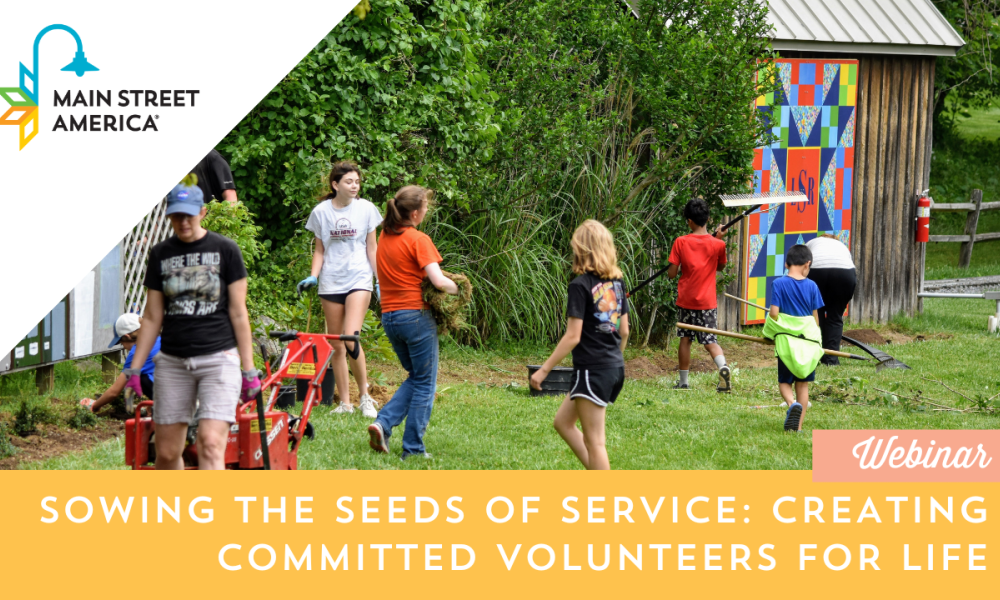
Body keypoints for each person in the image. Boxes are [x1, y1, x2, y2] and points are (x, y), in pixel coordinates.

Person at [125, 182, 259, 470]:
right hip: (173, 362)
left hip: (218, 359)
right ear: (169, 216)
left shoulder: (226, 249)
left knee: (210, 444)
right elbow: (152, 316)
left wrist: (248, 369)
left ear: (203, 212)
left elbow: (238, 313)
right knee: (168, 452)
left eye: (189, 215)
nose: (183, 222)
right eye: (176, 216)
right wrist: (134, 367)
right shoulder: (161, 254)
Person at [367, 185, 457, 460]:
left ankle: (382, 424)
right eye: (426, 208)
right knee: (426, 383)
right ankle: (414, 449)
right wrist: (460, 288)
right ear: (415, 213)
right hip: (416, 317)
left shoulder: (385, 237)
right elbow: (438, 281)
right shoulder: (418, 239)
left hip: (390, 318)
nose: (427, 212)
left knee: (417, 377)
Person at [530, 220, 629, 471]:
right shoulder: (617, 284)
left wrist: (543, 370)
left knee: (595, 442)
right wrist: (612, 360)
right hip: (612, 368)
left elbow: (572, 336)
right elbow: (624, 331)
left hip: (592, 370)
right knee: (563, 422)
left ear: (582, 250)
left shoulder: (580, 286)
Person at [296, 161, 382, 418]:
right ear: (335, 185)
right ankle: (345, 403)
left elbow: (372, 248)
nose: (355, 186)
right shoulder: (321, 212)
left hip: (359, 278)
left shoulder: (366, 209)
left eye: (357, 181)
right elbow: (320, 250)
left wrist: (379, 280)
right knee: (337, 345)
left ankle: (365, 397)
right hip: (331, 281)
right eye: (349, 182)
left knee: (350, 337)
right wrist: (313, 276)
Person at [666, 198, 730, 392]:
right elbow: (720, 266)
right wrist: (717, 240)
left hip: (686, 300)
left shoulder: (681, 242)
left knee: (685, 339)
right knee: (710, 340)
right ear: (708, 219)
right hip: (707, 302)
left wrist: (673, 263)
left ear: (689, 221)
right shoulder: (717, 244)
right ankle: (723, 367)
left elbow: (671, 273)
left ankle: (684, 382)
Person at [763, 244, 825, 432]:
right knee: (803, 385)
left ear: (786, 264)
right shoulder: (813, 286)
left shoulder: (779, 283)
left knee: (784, 382)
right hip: (806, 343)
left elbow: (774, 314)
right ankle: (797, 427)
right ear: (807, 264)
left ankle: (791, 404)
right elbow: (815, 319)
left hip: (787, 345)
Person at [83, 314, 161, 413]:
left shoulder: (136, 353)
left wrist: (94, 405)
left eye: (121, 343)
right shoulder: (158, 339)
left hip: (172, 399)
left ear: (127, 336)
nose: (123, 347)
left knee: (141, 377)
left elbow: (114, 392)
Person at [806, 233, 856, 365]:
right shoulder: (841, 246)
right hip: (844, 273)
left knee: (815, 315)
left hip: (816, 270)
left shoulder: (812, 242)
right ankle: (831, 360)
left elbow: (802, 262)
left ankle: (814, 357)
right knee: (835, 316)